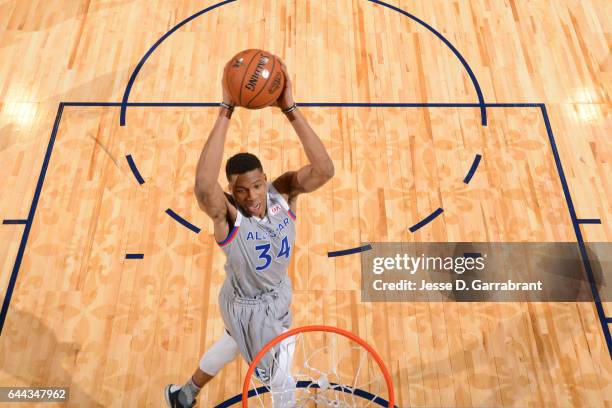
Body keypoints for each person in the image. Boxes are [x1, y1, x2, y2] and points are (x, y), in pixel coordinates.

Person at [164, 57, 334, 407]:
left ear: (264, 180)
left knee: (232, 342)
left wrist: (290, 109)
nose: (252, 196)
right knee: (281, 378)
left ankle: (185, 394)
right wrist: (226, 108)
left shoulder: (282, 192)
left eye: (257, 186)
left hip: (275, 294)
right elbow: (202, 185)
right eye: (242, 190)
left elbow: (324, 170)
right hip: (251, 309)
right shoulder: (228, 217)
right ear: (231, 190)